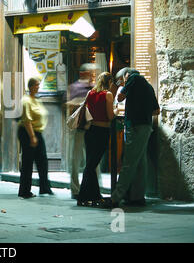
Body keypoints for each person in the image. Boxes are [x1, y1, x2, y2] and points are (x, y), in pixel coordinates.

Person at [102, 68, 160, 208]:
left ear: (126, 75)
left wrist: (119, 86)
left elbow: (120, 97)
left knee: (128, 163)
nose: (123, 82)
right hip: (145, 126)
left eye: (123, 80)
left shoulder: (134, 78)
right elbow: (156, 111)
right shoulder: (148, 86)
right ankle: (137, 197)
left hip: (135, 126)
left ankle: (115, 198)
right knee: (140, 162)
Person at [77, 72, 116, 206]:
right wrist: (116, 111)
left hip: (90, 131)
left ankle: (95, 196)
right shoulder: (108, 95)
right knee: (91, 165)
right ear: (109, 82)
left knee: (91, 163)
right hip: (102, 131)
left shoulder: (90, 93)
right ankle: (82, 196)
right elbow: (110, 116)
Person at [66, 63, 102, 199]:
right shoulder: (74, 87)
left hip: (91, 128)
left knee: (92, 158)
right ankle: (75, 189)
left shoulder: (94, 88)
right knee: (75, 159)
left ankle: (95, 186)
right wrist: (82, 102)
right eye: (91, 72)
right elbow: (67, 104)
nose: (94, 75)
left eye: (95, 72)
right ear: (83, 73)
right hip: (78, 128)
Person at [17, 77, 53, 199]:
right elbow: (27, 120)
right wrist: (32, 137)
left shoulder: (37, 100)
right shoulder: (26, 100)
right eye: (37, 85)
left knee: (42, 160)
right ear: (31, 86)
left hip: (37, 132)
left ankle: (44, 187)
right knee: (28, 162)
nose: (38, 87)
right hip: (28, 132)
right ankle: (24, 191)